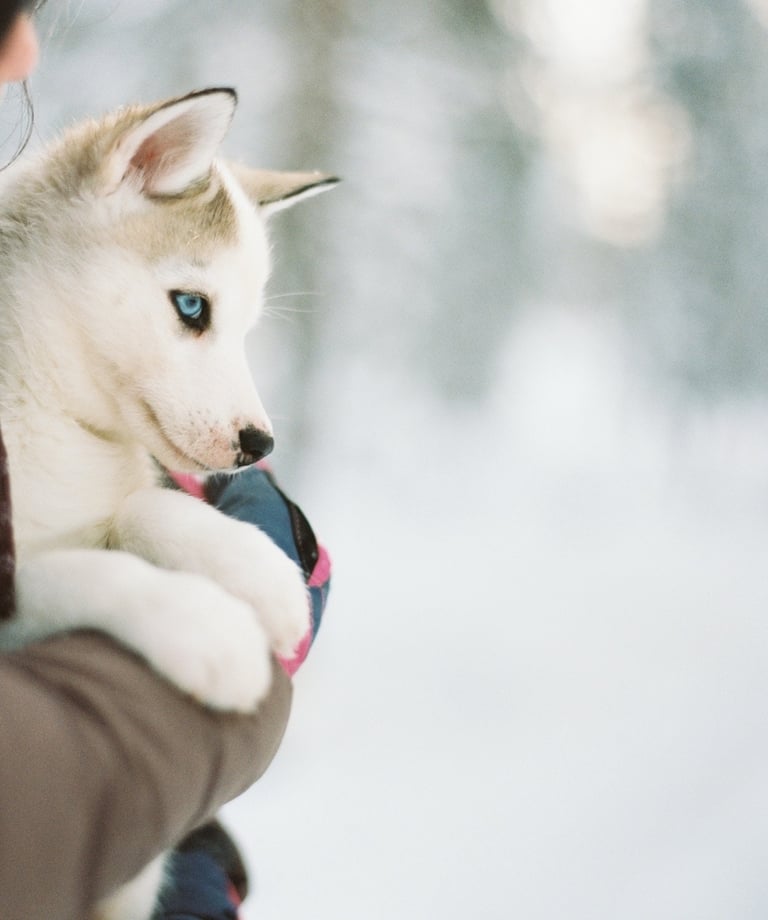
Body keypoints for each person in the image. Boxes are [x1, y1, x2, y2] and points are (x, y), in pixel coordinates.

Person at [0, 4, 329, 919]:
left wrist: (165, 525)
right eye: (192, 309)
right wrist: (136, 599)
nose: (252, 420)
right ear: (134, 166)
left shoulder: (103, 434)